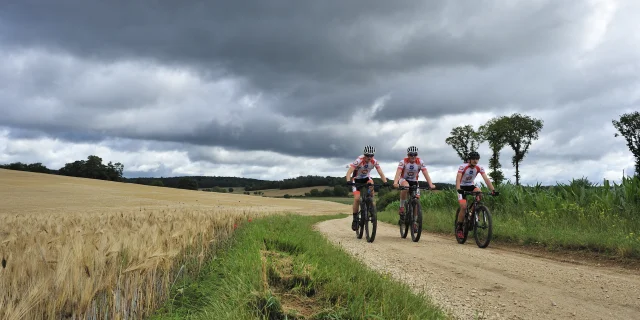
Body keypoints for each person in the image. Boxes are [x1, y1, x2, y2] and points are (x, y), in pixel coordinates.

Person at [345, 145, 389, 231]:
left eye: (371, 155)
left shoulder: (374, 162)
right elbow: (349, 171)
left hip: (366, 178)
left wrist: (385, 182)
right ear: (364, 155)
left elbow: (380, 172)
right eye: (367, 155)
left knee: (371, 184)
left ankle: (370, 204)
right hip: (356, 179)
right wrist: (348, 180)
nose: (369, 157)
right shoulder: (359, 160)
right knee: (357, 199)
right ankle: (355, 219)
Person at [455, 151, 497, 238]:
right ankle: (459, 228)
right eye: (473, 159)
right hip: (461, 187)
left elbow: (486, 179)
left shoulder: (479, 168)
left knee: (479, 192)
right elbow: (458, 178)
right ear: (469, 160)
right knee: (463, 207)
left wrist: (493, 190)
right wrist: (458, 189)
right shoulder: (463, 167)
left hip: (470, 185)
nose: (475, 160)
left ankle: (473, 212)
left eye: (477, 159)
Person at [392, 146, 436, 221]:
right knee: (406, 187)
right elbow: (398, 172)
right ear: (408, 155)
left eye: (415, 154)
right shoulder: (403, 162)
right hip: (404, 179)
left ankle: (414, 222)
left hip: (414, 181)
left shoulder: (420, 162)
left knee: (416, 200)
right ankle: (402, 207)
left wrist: (430, 184)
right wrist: (395, 182)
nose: (413, 156)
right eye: (411, 155)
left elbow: (426, 174)